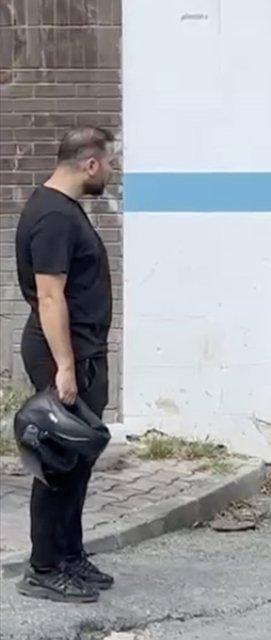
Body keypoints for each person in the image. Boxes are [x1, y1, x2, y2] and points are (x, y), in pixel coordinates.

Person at [12, 126, 119, 603]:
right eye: (110, 163)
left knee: (79, 462)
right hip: (64, 355)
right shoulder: (53, 216)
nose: (112, 172)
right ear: (90, 164)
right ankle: (43, 567)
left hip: (82, 351)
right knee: (57, 465)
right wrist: (65, 367)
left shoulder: (64, 210)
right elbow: (50, 297)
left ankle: (70, 554)